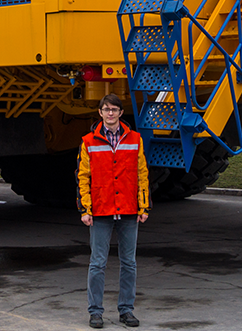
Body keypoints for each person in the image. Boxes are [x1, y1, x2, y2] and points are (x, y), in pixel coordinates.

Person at [78, 93, 149, 328]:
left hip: (128, 210)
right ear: (100, 113)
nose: (110, 113)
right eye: (106, 109)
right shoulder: (88, 141)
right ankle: (95, 312)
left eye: (114, 110)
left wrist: (144, 205)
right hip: (100, 210)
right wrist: (85, 209)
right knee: (97, 263)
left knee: (129, 263)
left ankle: (126, 310)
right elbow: (82, 177)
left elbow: (142, 175)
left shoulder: (135, 139)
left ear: (120, 113)